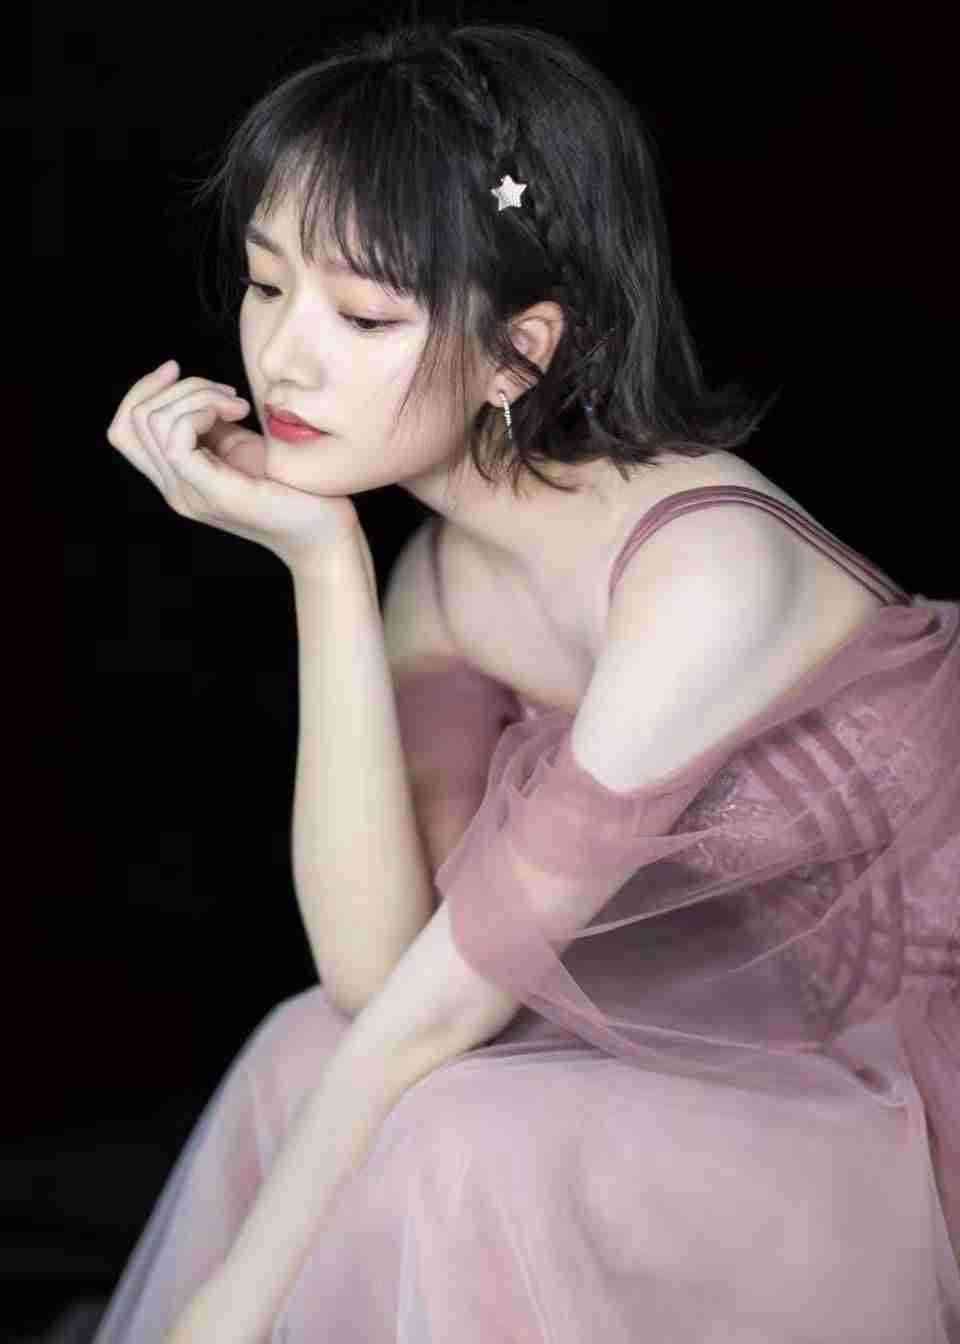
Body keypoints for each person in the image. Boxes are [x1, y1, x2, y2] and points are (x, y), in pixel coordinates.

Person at [98, 19, 959, 1343]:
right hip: (738, 1059)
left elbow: (439, 1008)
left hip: (904, 1093)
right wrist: (323, 564)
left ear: (519, 351)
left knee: (464, 1139)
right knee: (300, 1054)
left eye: (363, 314)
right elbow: (371, 974)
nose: (284, 359)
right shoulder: (447, 575)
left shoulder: (704, 571)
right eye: (268, 285)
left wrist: (226, 1310)